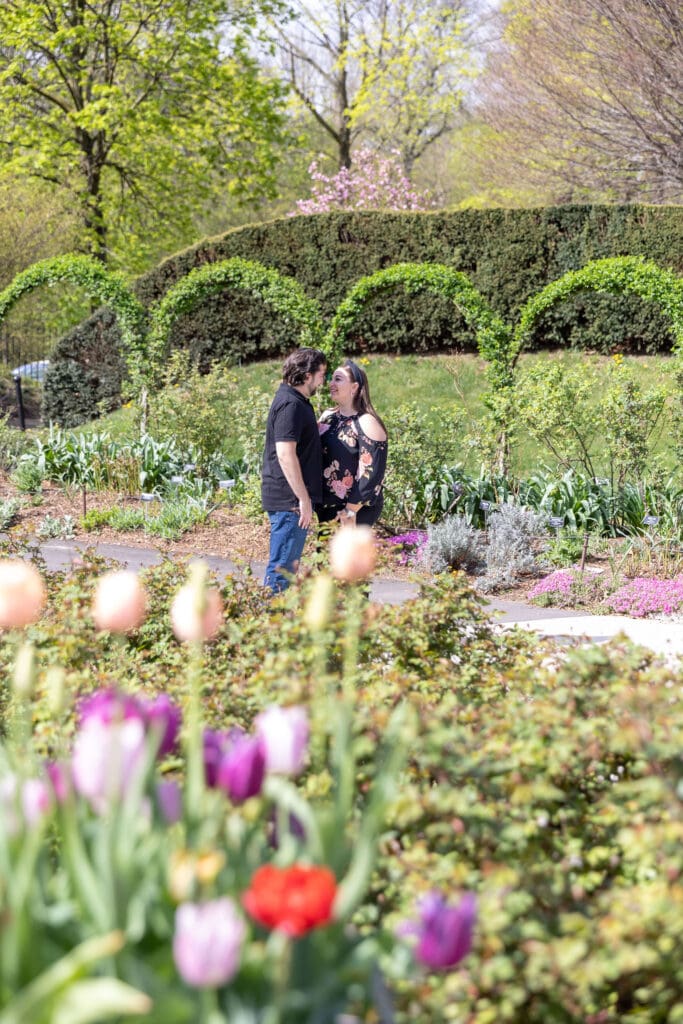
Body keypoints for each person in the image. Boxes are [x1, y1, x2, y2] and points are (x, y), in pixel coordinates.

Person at [261, 347, 328, 593]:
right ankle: (271, 627)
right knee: (282, 571)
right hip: (290, 501)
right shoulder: (291, 404)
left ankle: (274, 624)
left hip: (290, 501)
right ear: (308, 375)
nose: (324, 380)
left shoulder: (296, 401)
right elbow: (285, 454)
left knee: (285, 570)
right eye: (322, 374)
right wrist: (303, 498)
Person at [316, 359, 388, 530]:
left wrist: (350, 511)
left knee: (344, 556)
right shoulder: (327, 416)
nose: (331, 383)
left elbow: (372, 473)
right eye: (331, 378)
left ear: (354, 387)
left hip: (355, 509)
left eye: (338, 379)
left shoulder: (366, 422)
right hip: (327, 507)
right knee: (324, 555)